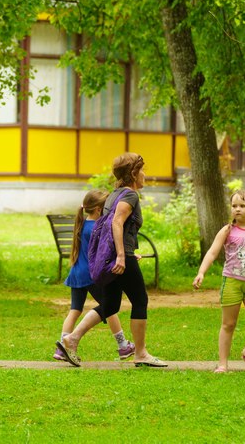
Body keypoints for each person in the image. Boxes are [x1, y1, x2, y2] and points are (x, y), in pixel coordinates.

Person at [55, 153, 166, 367]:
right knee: (140, 300)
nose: (144, 174)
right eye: (142, 170)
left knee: (110, 304)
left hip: (111, 258)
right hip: (120, 258)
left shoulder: (114, 194)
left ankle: (72, 338)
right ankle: (141, 353)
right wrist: (123, 256)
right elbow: (116, 222)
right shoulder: (130, 195)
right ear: (133, 173)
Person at [193, 190, 245, 373]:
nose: (237, 209)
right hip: (231, 283)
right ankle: (223, 364)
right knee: (228, 324)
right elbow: (212, 252)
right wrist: (201, 272)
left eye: (242, 206)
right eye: (234, 206)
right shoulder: (227, 230)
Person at [53, 189, 136, 362]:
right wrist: (127, 256)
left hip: (77, 272)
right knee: (109, 307)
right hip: (91, 275)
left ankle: (62, 348)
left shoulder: (82, 224)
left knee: (74, 310)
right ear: (99, 209)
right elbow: (104, 252)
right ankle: (123, 346)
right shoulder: (97, 228)